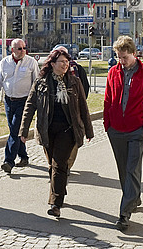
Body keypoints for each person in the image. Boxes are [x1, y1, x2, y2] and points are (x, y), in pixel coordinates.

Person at [19, 49, 94, 217]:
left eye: (67, 62)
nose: (65, 64)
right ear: (52, 64)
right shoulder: (41, 82)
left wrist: (88, 130)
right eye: (62, 62)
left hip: (68, 130)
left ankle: (55, 203)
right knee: (53, 165)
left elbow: (83, 106)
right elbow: (30, 106)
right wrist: (23, 131)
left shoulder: (74, 82)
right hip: (47, 130)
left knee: (59, 164)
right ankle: (60, 191)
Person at [104, 36, 143, 231]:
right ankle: (134, 198)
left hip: (137, 130)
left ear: (134, 54)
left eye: (125, 57)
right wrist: (107, 124)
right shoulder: (113, 72)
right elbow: (107, 99)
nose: (121, 61)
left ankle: (124, 213)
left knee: (131, 169)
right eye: (119, 57)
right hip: (116, 131)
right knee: (124, 170)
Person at [0, 39, 40, 173]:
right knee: (14, 129)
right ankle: (23, 156)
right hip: (9, 101)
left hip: (24, 101)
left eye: (24, 48)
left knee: (15, 130)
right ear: (12, 50)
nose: (23, 51)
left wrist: (37, 102)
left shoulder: (31, 62)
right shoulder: (4, 63)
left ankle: (8, 161)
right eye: (19, 49)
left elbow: (37, 82)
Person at [52, 46, 90, 175]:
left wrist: (79, 101)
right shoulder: (48, 76)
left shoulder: (77, 70)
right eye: (61, 60)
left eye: (66, 59)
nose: (65, 63)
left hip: (75, 110)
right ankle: (60, 166)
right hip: (56, 119)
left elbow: (85, 86)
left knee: (73, 142)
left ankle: (67, 165)